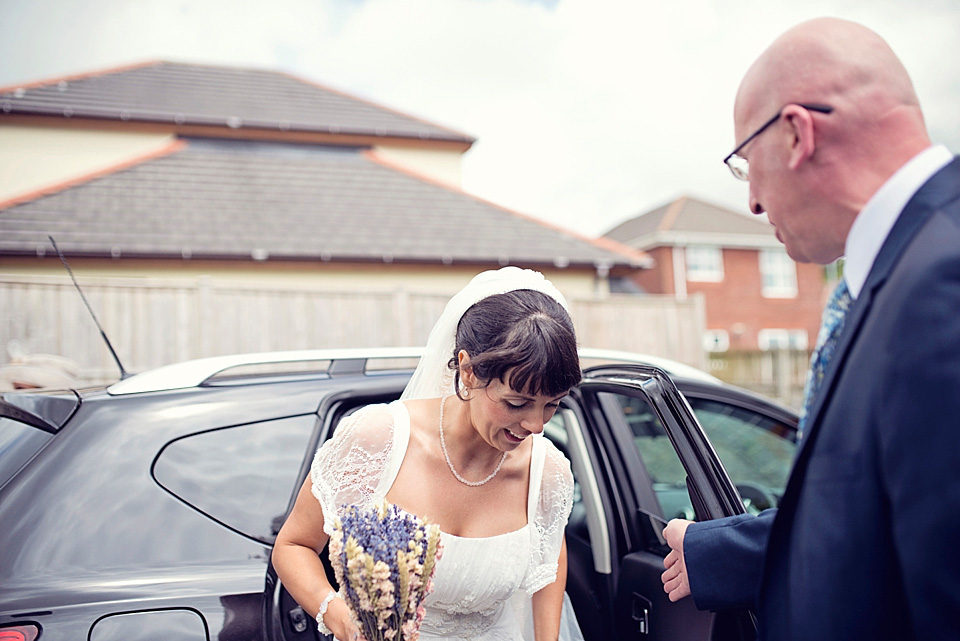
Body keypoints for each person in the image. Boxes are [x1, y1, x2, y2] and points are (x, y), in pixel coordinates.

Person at [661, 17, 960, 639]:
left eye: (745, 164)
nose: (752, 203)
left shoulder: (943, 280)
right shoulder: (896, 273)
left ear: (797, 133)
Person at [273, 266, 585, 641]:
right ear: (468, 371)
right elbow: (294, 545)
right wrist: (337, 613)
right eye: (517, 403)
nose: (537, 425)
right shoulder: (378, 439)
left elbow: (548, 560)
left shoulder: (547, 471)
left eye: (552, 405)